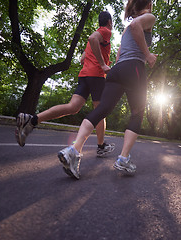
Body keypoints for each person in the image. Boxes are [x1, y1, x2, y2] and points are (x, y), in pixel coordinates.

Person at [58, 0, 157, 179]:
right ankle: (123, 159)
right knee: (137, 113)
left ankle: (73, 150)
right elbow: (136, 26)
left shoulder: (125, 29)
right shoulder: (148, 17)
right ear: (148, 4)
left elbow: (119, 53)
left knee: (102, 109)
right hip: (134, 68)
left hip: (117, 70)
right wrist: (148, 54)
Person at [15, 11, 115, 157]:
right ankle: (101, 146)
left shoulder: (93, 41)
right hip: (96, 76)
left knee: (72, 107)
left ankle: (32, 119)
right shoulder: (105, 31)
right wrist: (102, 64)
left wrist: (102, 59)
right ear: (109, 22)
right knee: (100, 111)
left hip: (84, 76)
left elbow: (82, 59)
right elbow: (92, 38)